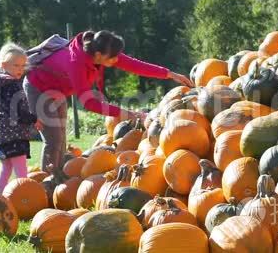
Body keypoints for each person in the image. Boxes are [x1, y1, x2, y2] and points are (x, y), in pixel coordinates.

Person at [24, 30, 193, 171]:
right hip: (39, 88)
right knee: (53, 139)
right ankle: (48, 183)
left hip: (58, 90)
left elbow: (134, 65)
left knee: (60, 139)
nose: (116, 60)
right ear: (99, 55)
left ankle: (58, 178)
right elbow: (89, 102)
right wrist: (127, 113)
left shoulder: (101, 52)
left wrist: (170, 74)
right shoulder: (75, 62)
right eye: (113, 58)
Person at [0, 43, 42, 193]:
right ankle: (26, 198)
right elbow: (19, 111)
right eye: (16, 65)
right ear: (3, 64)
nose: (20, 69)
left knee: (6, 168)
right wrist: (34, 119)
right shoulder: (12, 84)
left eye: (22, 65)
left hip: (1, 136)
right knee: (21, 171)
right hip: (15, 135)